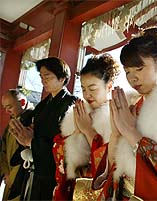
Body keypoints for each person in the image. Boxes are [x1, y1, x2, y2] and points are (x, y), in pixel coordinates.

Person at [92, 27, 157, 200]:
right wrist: (116, 133)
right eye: (128, 71)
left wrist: (133, 135)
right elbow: (113, 165)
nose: (132, 78)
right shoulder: (133, 106)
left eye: (139, 68)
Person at [52, 53, 120, 200]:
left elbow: (112, 163)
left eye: (93, 88)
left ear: (108, 86)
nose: (87, 94)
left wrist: (88, 132)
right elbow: (59, 151)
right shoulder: (76, 113)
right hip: (74, 188)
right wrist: (74, 135)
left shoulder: (116, 117)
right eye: (83, 89)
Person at [9, 57, 77, 200]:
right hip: (34, 167)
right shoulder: (42, 106)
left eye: (47, 76)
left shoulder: (70, 103)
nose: (43, 80)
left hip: (50, 172)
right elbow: (29, 131)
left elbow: (62, 142)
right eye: (41, 76)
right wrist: (22, 134)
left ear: (62, 78)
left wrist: (31, 142)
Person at [1, 89, 33, 201]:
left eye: (9, 107)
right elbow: (3, 149)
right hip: (9, 176)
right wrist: (6, 172)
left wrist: (12, 177)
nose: (7, 111)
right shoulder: (13, 121)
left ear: (23, 103)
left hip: (20, 180)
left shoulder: (33, 121)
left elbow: (24, 157)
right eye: (5, 108)